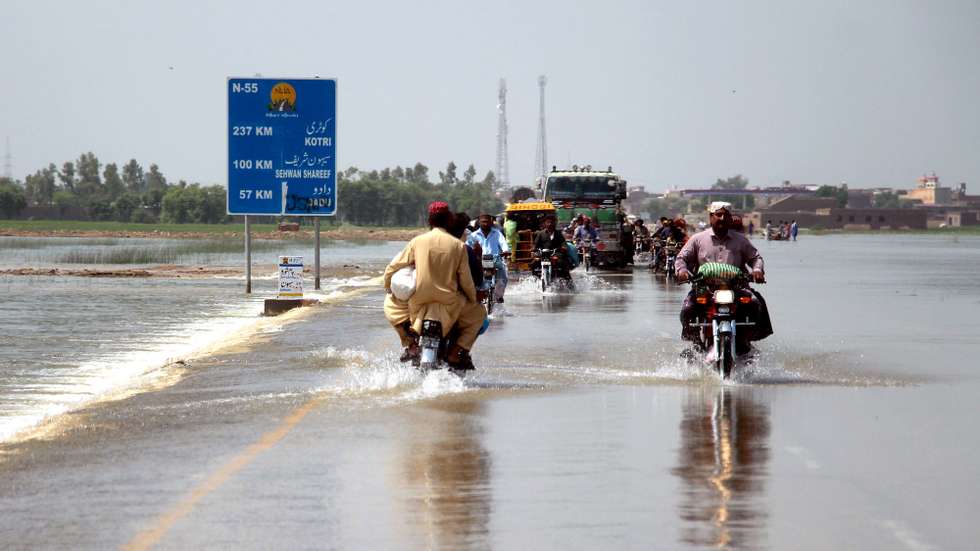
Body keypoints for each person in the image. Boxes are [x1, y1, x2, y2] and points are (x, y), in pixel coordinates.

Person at [384, 202, 483, 368]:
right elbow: (465, 279)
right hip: (449, 303)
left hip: (418, 301)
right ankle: (456, 352)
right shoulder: (458, 246)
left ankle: (411, 345)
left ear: (430, 220)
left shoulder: (417, 241)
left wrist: (387, 285)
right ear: (449, 220)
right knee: (479, 315)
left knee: (389, 305)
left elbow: (394, 267)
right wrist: (473, 298)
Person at [676, 202, 773, 354]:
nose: (722, 218)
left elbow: (756, 258)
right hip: (705, 289)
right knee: (688, 309)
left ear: (730, 218)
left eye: (725, 215)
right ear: (711, 217)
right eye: (718, 215)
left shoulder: (741, 240)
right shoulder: (697, 239)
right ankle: (695, 342)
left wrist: (757, 270)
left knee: (755, 304)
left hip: (736, 288)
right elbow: (681, 258)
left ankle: (746, 339)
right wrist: (682, 270)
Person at [467, 213, 511, 303]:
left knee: (503, 276)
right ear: (479, 222)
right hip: (480, 260)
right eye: (483, 222)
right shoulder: (473, 235)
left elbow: (503, 244)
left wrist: (506, 251)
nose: (485, 224)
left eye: (487, 222)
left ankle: (499, 296)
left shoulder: (497, 233)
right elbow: (467, 247)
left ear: (491, 222)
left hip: (495, 259)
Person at [533, 214, 571, 279]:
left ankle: (568, 282)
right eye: (548, 222)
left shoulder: (558, 234)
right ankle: (535, 279)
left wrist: (564, 247)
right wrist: (533, 249)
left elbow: (563, 243)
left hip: (555, 254)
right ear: (545, 223)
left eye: (551, 222)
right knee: (534, 264)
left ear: (554, 223)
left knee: (563, 264)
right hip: (543, 254)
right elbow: (535, 244)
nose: (550, 224)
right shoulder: (540, 233)